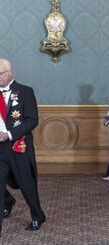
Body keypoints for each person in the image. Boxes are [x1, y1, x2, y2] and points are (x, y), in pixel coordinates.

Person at [0, 59, 46, 236]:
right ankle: (7, 201)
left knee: (26, 184)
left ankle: (37, 215)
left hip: (18, 146)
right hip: (0, 149)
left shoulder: (25, 91)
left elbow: (32, 119)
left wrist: (9, 134)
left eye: (1, 74)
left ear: (12, 73)